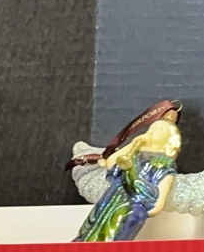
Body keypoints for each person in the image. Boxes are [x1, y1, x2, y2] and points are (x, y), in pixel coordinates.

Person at [73, 101, 182, 242]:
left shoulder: (165, 165)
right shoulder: (136, 153)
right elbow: (111, 163)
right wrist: (133, 145)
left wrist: (145, 207)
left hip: (132, 208)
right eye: (152, 131)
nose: (151, 134)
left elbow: (158, 202)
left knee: (116, 232)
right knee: (93, 226)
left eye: (158, 131)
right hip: (113, 198)